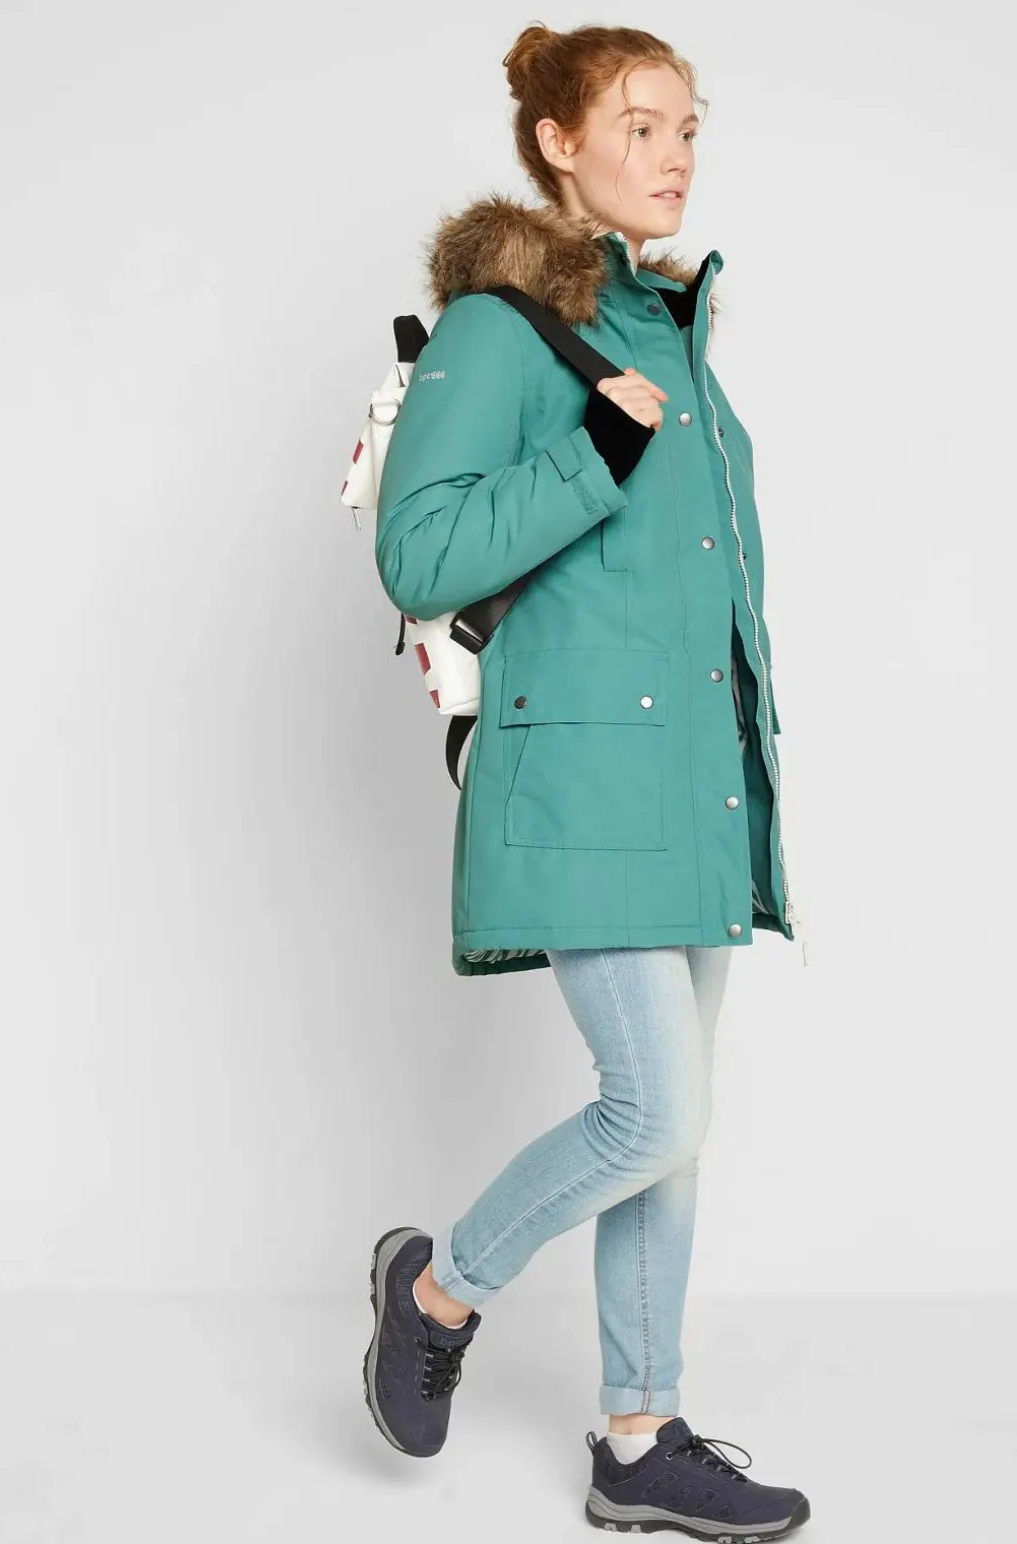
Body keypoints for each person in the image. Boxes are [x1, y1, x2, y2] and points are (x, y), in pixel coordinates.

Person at [364, 21, 810, 1539]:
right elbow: (419, 552)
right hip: (581, 786)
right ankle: (438, 1292)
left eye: (688, 125)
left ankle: (639, 1434)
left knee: (671, 1137)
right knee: (654, 1113)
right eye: (638, 123)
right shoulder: (504, 330)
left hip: (694, 787)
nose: (674, 153)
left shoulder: (669, 331)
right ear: (558, 142)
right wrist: (591, 460)